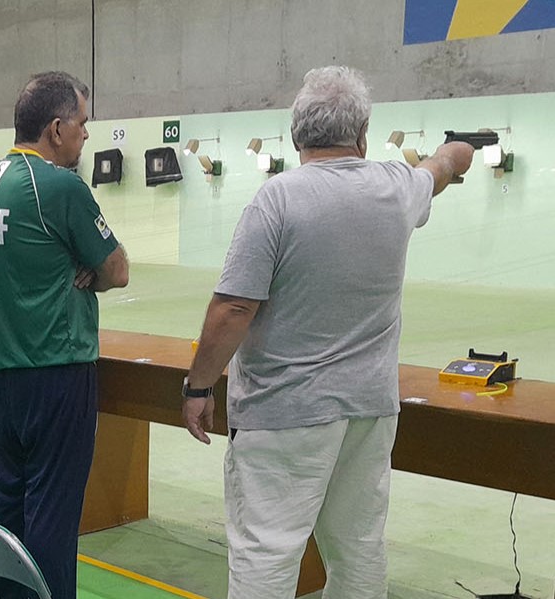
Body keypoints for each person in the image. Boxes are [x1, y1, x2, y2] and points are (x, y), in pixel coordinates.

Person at [180, 66, 473, 599]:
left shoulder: (276, 199)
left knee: (267, 550)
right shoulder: (398, 185)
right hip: (368, 411)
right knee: (359, 546)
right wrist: (458, 148)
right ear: (362, 136)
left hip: (284, 413)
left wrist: (199, 386)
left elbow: (233, 309)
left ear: (296, 136)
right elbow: (446, 164)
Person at [0, 71, 129, 599]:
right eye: (82, 124)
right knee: (54, 523)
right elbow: (117, 269)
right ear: (57, 128)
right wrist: (86, 267)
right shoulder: (59, 186)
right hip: (58, 371)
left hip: (9, 372)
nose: (86, 135)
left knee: (8, 510)